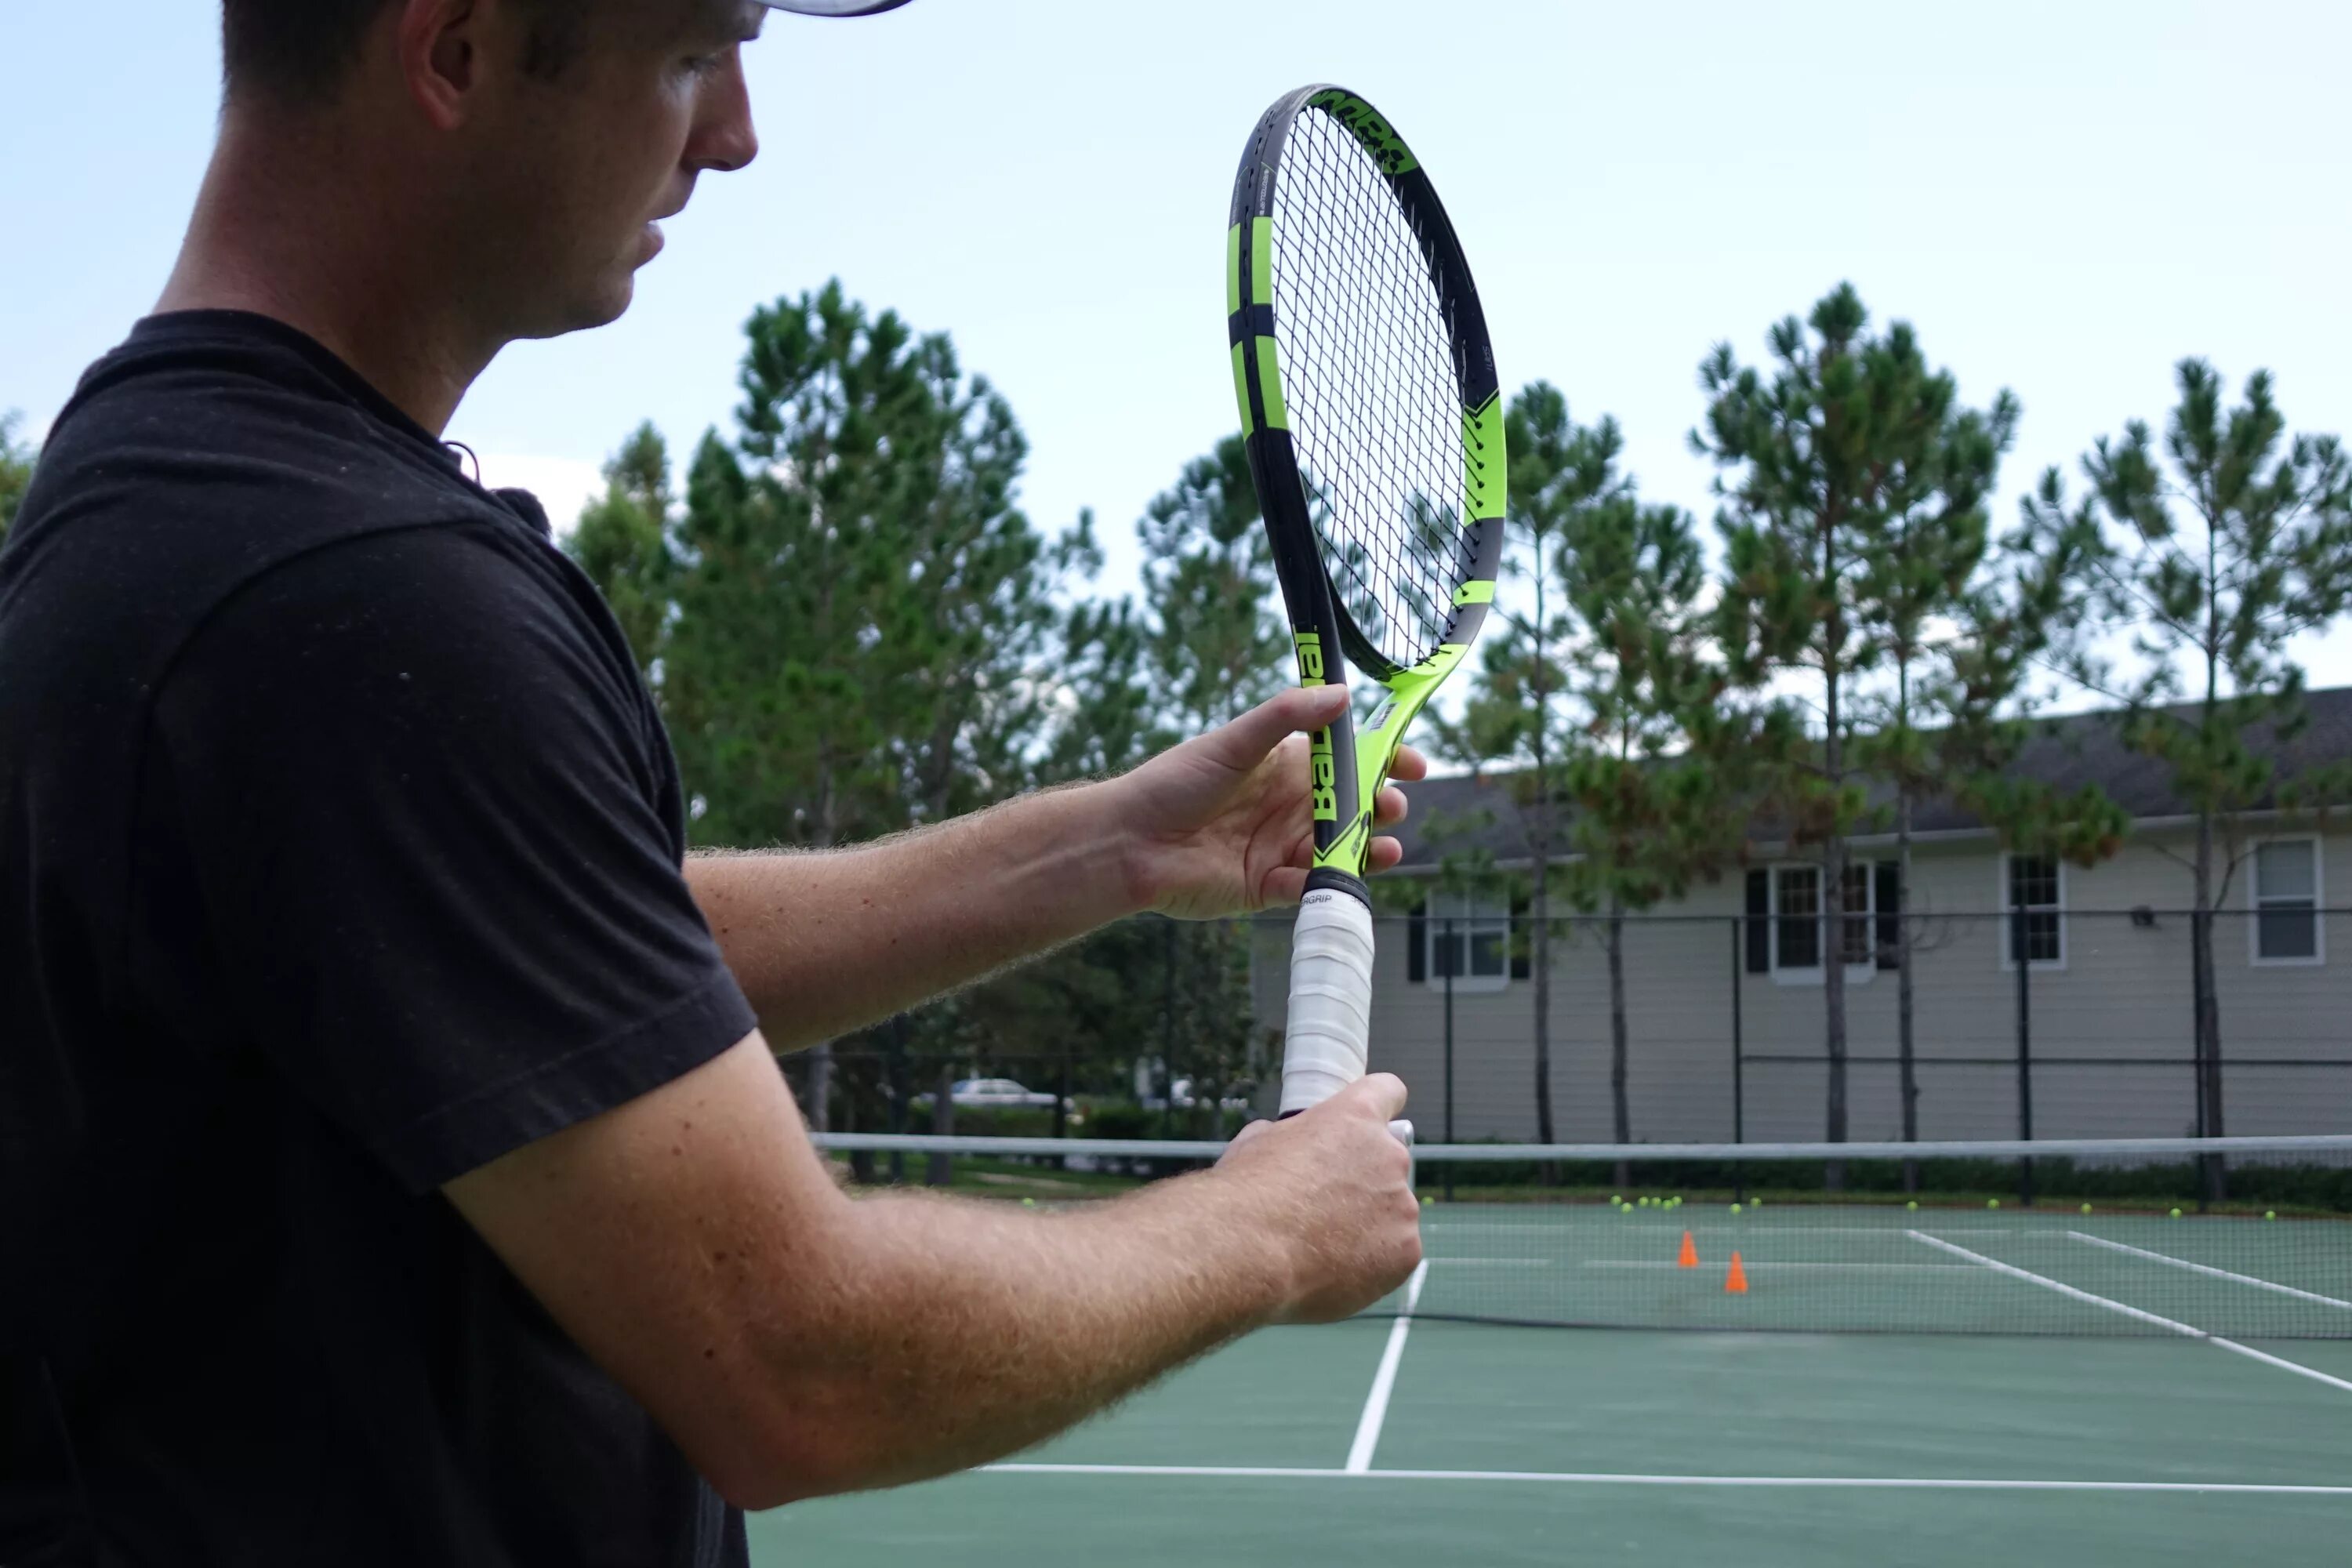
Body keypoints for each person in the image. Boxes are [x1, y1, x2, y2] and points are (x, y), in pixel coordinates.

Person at [0, 1, 1425, 1562]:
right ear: (455, 48)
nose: (734, 133)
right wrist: (1269, 1230)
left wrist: (1118, 845)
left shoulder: (165, 496)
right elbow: (797, 1359)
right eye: (691, 51)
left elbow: (561, 966)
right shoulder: (345, 594)